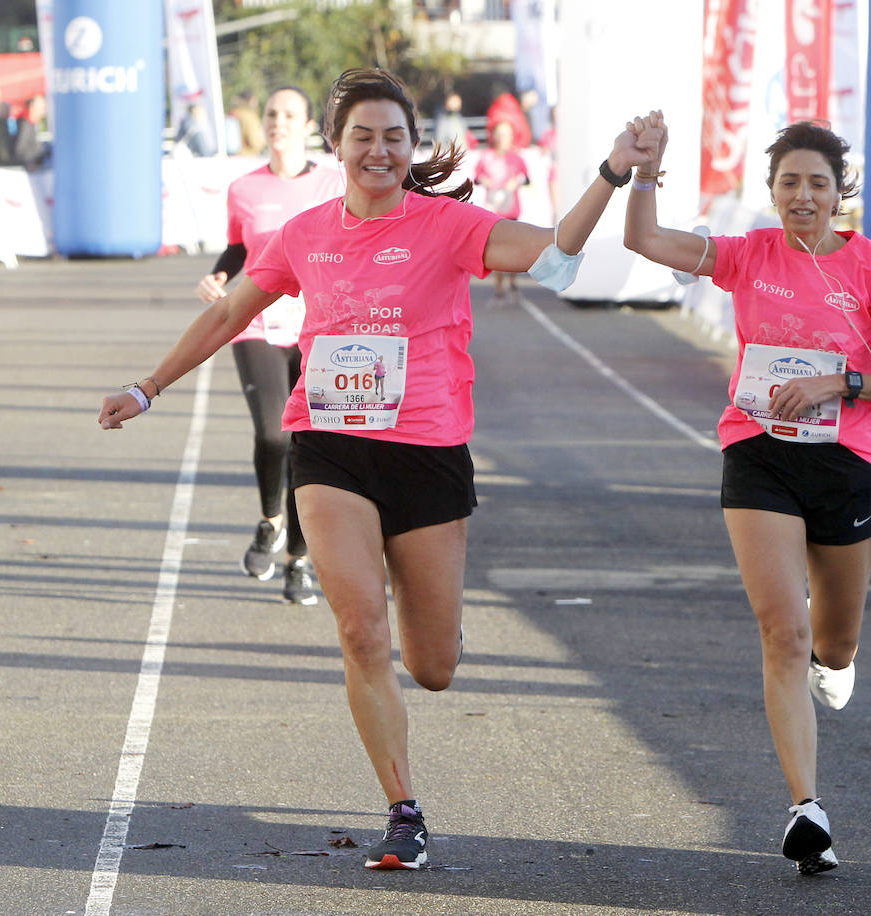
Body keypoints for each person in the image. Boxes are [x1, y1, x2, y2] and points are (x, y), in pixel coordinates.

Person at [100, 66, 659, 870]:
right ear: (337, 146)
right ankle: (404, 808)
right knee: (360, 629)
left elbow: (556, 256)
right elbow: (229, 311)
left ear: (411, 146)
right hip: (330, 447)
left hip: (428, 454)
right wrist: (145, 387)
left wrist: (611, 172)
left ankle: (433, 631)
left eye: (394, 136)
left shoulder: (449, 225)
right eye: (362, 135)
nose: (378, 150)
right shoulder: (304, 232)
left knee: (431, 666)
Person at [623, 114, 871, 875]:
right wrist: (643, 171)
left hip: (846, 462)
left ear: (840, 195)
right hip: (758, 452)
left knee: (829, 640)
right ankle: (808, 809)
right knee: (782, 634)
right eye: (790, 182)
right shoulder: (749, 255)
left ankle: (839, 656)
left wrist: (841, 380)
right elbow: (645, 241)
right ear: (771, 191)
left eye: (818, 184)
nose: (803, 196)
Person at [194, 87, 345, 602]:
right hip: (257, 322)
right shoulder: (243, 188)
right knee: (273, 434)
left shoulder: (332, 183)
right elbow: (240, 246)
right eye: (271, 114)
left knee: (309, 444)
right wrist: (218, 275)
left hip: (319, 326)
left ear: (308, 126)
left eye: (289, 115)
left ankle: (300, 559)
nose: (278, 122)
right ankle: (270, 519)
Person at [473, 120, 531, 304]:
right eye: (500, 134)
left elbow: (527, 178)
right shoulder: (486, 156)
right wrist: (485, 181)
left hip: (511, 208)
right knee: (496, 249)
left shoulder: (517, 158)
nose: (504, 138)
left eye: (507, 134)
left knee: (515, 247)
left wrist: (516, 182)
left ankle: (513, 283)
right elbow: (476, 178)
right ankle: (499, 288)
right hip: (493, 210)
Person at [11, 94, 50, 170]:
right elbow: (20, 150)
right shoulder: (25, 124)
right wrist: (31, 161)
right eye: (42, 108)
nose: (44, 112)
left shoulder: (32, 124)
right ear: (32, 107)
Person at [227, 89, 265, 157]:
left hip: (230, 155)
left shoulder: (232, 112)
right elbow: (255, 142)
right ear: (252, 100)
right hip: (247, 156)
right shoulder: (249, 116)